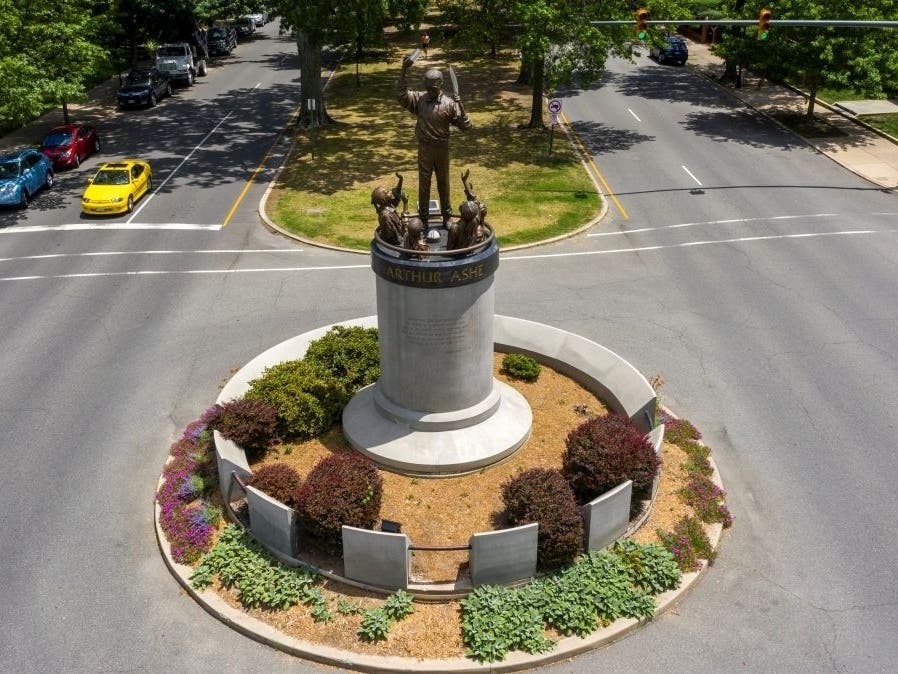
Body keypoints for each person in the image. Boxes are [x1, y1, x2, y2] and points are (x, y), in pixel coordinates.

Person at [396, 58, 471, 226]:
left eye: (433, 88)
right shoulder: (419, 100)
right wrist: (403, 70)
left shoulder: (450, 104)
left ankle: (447, 216)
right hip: (425, 149)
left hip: (442, 150)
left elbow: (465, 126)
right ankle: (423, 218)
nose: (430, 91)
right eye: (427, 88)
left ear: (440, 85)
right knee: (424, 184)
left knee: (443, 183)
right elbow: (401, 96)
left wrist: (461, 106)